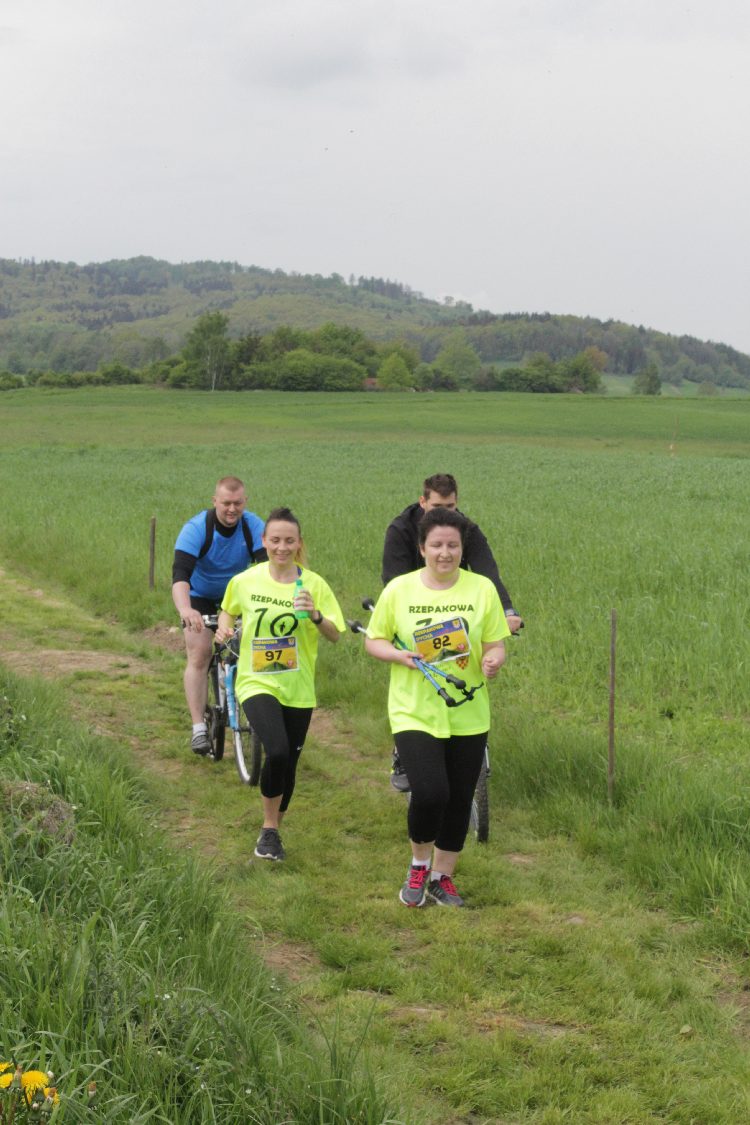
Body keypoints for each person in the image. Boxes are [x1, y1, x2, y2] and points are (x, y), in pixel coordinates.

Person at [365, 507, 509, 907]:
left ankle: (442, 877)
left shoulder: (482, 589)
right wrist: (398, 655)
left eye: (453, 545)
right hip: (414, 709)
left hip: (468, 710)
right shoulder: (400, 590)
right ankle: (418, 865)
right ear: (422, 548)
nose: (445, 553)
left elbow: (496, 643)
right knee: (431, 792)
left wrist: (494, 659)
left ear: (462, 549)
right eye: (437, 545)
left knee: (460, 797)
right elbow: (374, 640)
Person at [216, 507, 345, 862]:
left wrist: (316, 615)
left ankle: (273, 832)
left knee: (288, 763)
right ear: (264, 541)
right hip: (256, 680)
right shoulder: (246, 580)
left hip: (298, 688)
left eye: (289, 541)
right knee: (277, 751)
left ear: (299, 543)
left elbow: (335, 634)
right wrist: (224, 627)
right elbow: (228, 609)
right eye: (275, 540)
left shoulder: (314, 585)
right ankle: (269, 827)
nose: (282, 547)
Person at [382, 472, 521, 789]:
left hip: (456, 606)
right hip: (414, 609)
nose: (445, 512)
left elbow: (487, 571)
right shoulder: (401, 529)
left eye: (451, 506)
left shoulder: (465, 529)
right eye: (437, 506)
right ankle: (403, 750)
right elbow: (393, 581)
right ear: (423, 502)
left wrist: (508, 611)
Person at [172, 476, 266, 755]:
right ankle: (198, 728)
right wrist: (185, 610)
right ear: (215, 501)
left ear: (245, 502)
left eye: (237, 503)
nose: (232, 509)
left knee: (253, 649)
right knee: (199, 653)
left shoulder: (253, 527)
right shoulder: (196, 528)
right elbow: (180, 577)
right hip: (200, 596)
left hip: (235, 597)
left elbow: (268, 570)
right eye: (226, 503)